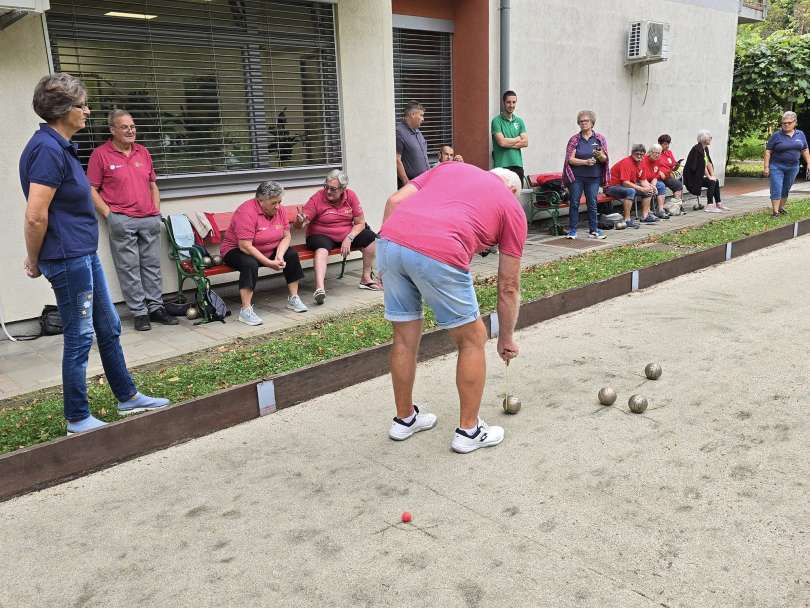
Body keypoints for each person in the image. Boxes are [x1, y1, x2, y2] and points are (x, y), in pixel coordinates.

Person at [20, 73, 169, 435]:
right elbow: (36, 214)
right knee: (80, 336)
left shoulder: (61, 146)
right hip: (68, 257)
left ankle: (127, 396)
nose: (87, 111)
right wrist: (34, 258)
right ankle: (76, 417)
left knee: (109, 326)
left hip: (82, 253)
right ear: (62, 109)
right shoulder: (47, 150)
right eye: (82, 105)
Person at [377, 163, 527, 454]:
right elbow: (508, 285)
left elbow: (394, 201)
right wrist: (506, 338)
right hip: (438, 249)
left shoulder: (451, 169)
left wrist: (388, 257)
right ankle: (469, 431)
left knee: (404, 338)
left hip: (389, 242)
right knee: (472, 339)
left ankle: (405, 419)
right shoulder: (510, 205)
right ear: (511, 190)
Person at [87, 109, 177, 331]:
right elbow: (91, 189)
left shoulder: (143, 152)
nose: (130, 131)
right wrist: (110, 215)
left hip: (148, 219)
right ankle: (139, 312)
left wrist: (156, 211)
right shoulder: (100, 154)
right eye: (124, 127)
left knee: (152, 266)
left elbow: (152, 185)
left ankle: (156, 308)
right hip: (121, 220)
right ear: (112, 130)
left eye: (133, 126)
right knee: (128, 268)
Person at [220, 181, 308, 326]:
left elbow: (286, 236)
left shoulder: (280, 210)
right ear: (260, 201)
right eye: (274, 203)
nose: (278, 206)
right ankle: (246, 310)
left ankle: (293, 298)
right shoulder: (246, 212)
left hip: (267, 248)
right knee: (250, 263)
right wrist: (268, 263)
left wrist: (279, 255)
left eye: (279, 202)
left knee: (291, 255)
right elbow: (245, 246)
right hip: (236, 250)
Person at [295, 169, 380, 305]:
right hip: (321, 234)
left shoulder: (351, 196)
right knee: (322, 248)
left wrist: (349, 237)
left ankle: (365, 278)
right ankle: (320, 289)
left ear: (343, 189)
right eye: (326, 187)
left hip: (345, 234)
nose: (328, 191)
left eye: (333, 189)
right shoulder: (318, 197)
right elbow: (301, 224)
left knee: (370, 237)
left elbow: (360, 223)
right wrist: (300, 221)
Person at [562, 110, 610, 239]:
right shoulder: (575, 139)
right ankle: (572, 230)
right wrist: (585, 162)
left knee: (592, 203)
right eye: (581, 121)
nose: (583, 123)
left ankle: (593, 230)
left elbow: (605, 159)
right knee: (575, 203)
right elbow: (570, 159)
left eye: (586, 121)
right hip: (577, 177)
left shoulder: (600, 139)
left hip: (594, 177)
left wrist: (600, 156)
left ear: (592, 123)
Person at [764, 111, 810, 217]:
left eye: (789, 122)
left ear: (795, 123)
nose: (786, 125)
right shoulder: (776, 135)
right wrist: (766, 167)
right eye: (784, 123)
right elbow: (768, 151)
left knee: (786, 188)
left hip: (793, 167)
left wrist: (808, 162)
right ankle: (775, 212)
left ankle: (781, 208)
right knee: (777, 187)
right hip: (777, 166)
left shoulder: (800, 134)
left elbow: (804, 149)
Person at [604, 144, 657, 227]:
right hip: (611, 187)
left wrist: (650, 187)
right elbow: (625, 182)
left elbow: (643, 180)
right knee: (631, 191)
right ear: (632, 153)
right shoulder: (626, 162)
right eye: (637, 154)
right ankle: (627, 220)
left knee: (648, 190)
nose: (639, 156)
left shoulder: (642, 163)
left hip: (624, 186)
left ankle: (645, 216)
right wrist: (641, 189)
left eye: (641, 154)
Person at [491, 90, 528, 185]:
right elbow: (501, 142)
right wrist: (517, 138)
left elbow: (525, 142)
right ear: (504, 103)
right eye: (508, 102)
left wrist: (507, 142)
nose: (511, 105)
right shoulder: (496, 121)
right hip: (502, 167)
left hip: (517, 165)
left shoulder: (519, 121)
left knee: (515, 198)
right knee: (501, 197)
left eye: (514, 102)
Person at [684, 130, 726, 213]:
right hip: (692, 177)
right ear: (703, 139)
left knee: (715, 181)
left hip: (698, 176)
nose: (711, 138)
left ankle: (718, 203)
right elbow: (701, 166)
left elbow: (708, 163)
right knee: (712, 182)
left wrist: (712, 175)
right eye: (709, 137)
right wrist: (709, 177)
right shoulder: (697, 149)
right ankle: (709, 205)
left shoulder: (705, 149)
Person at [395, 101, 429, 186]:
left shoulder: (417, 131)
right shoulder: (399, 132)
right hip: (412, 185)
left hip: (423, 182)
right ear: (412, 114)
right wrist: (406, 181)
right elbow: (396, 159)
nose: (423, 119)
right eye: (421, 115)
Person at [642, 144, 671, 219]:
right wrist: (651, 186)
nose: (658, 155)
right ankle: (648, 212)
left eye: (659, 153)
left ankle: (660, 210)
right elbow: (642, 178)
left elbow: (655, 176)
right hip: (641, 181)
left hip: (651, 180)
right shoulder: (643, 160)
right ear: (650, 152)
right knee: (649, 188)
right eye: (656, 153)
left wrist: (654, 185)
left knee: (661, 185)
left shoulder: (658, 161)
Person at [657, 134, 684, 212]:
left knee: (679, 181)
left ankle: (677, 205)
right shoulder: (656, 153)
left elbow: (673, 166)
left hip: (669, 175)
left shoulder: (669, 153)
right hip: (661, 176)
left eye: (668, 144)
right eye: (665, 144)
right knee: (678, 185)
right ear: (659, 144)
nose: (667, 146)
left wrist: (677, 165)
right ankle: (676, 206)